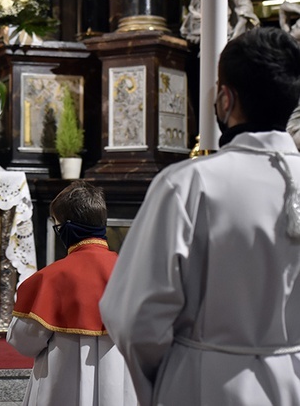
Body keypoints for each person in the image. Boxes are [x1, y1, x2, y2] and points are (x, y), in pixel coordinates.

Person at [99, 27, 300, 406]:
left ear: (226, 98)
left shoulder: (189, 184)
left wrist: (174, 374)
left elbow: (134, 316)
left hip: (206, 384)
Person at [6, 181, 136, 406]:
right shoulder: (135, 274)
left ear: (67, 228)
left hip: (61, 385)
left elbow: (23, 342)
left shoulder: (49, 279)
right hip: (122, 386)